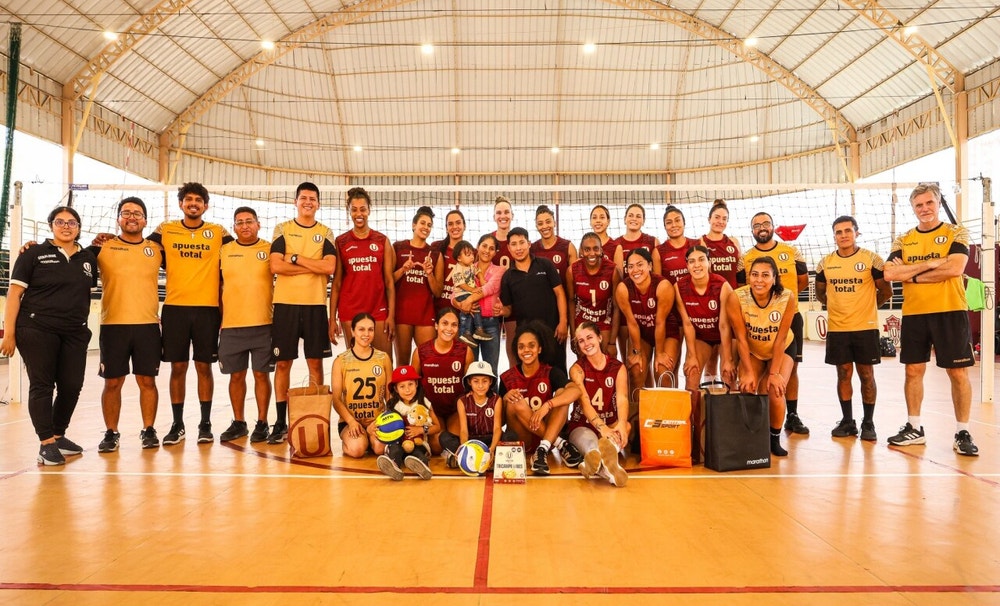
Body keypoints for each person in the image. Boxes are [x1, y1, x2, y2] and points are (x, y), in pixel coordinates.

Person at [882, 183, 979, 456]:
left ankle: (963, 432)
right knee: (913, 371)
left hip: (950, 310)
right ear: (913, 208)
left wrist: (911, 275)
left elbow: (955, 268)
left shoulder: (955, 232)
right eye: (919, 205)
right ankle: (914, 428)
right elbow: (890, 274)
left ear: (937, 204)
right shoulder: (903, 239)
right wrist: (931, 263)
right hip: (915, 313)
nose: (924, 209)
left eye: (929, 203)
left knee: (957, 372)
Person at [1, 206, 97, 465]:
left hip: (74, 331)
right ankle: (46, 444)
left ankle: (58, 435)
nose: (66, 226)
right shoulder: (33, 253)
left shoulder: (88, 258)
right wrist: (9, 333)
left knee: (72, 385)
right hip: (37, 328)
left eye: (72, 222)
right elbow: (14, 294)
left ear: (79, 227)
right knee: (42, 385)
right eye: (60, 222)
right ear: (51, 225)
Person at [147, 183, 232, 445]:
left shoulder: (218, 232)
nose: (193, 203)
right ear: (181, 204)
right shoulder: (165, 229)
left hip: (207, 310)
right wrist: (108, 239)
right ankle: (177, 424)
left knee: (204, 366)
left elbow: (242, 252)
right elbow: (140, 248)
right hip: (175, 309)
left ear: (206, 205)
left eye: (198, 200)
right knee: (178, 367)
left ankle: (205, 424)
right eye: (188, 199)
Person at [89, 197, 163, 452]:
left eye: (137, 213)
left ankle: (149, 429)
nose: (132, 217)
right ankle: (111, 432)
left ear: (145, 220)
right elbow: (68, 254)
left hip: (147, 326)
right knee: (112, 383)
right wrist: (31, 247)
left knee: (147, 381)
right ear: (118, 218)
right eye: (126, 212)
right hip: (113, 326)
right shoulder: (102, 247)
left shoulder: (157, 249)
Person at [269, 182, 337, 444]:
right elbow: (276, 266)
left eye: (312, 198)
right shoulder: (282, 228)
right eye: (303, 198)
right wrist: (312, 267)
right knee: (282, 364)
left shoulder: (325, 232)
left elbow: (329, 267)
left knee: (315, 364)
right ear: (295, 202)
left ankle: (313, 419)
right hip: (285, 305)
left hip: (314, 306)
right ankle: (280, 422)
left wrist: (296, 259)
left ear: (318, 204)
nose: (308, 202)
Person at [815, 216, 892, 441]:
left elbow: (886, 291)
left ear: (856, 233)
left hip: (865, 328)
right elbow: (820, 292)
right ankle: (848, 421)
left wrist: (868, 309)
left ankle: (868, 422)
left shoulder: (871, 259)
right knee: (843, 374)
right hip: (838, 328)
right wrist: (835, 307)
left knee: (866, 375)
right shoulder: (825, 263)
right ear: (834, 236)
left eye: (848, 230)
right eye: (839, 232)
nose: (843, 235)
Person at [737, 211, 809, 436]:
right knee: (759, 372)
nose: (762, 227)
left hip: (789, 317)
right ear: (752, 230)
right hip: (758, 319)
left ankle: (792, 415)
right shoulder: (745, 258)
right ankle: (761, 422)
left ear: (773, 226)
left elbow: (803, 281)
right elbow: (741, 289)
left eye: (766, 223)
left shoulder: (791, 251)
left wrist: (780, 303)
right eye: (756, 225)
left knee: (790, 369)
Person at [727, 256, 794, 457]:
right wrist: (747, 372)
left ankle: (774, 438)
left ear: (774, 278)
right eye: (755, 275)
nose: (759, 280)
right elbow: (741, 338)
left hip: (781, 348)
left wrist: (774, 373)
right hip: (753, 349)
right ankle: (749, 436)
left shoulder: (787, 297)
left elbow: (781, 339)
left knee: (774, 389)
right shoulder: (737, 297)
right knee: (747, 386)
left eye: (765, 275)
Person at [218, 207, 275, 443]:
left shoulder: (270, 249)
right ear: (234, 227)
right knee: (236, 376)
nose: (244, 226)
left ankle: (262, 423)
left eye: (249, 221)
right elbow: (216, 284)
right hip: (232, 325)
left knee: (261, 375)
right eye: (239, 222)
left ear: (258, 224)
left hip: (264, 323)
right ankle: (239, 422)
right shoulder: (224, 250)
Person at [500, 322, 583, 475]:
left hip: (545, 440)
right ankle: (560, 443)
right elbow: (501, 422)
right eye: (521, 347)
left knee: (562, 395)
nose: (526, 350)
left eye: (531, 345)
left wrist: (548, 405)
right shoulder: (507, 377)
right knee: (514, 401)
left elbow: (576, 391)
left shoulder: (551, 372)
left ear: (539, 349)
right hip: (523, 441)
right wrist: (504, 399)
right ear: (517, 350)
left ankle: (542, 449)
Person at [331, 186, 396, 360]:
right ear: (349, 212)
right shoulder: (341, 241)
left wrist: (391, 315)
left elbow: (389, 282)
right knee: (356, 364)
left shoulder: (382, 240)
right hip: (350, 309)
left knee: (384, 362)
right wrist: (332, 319)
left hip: (378, 309)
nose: (358, 214)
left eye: (362, 209)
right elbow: (337, 283)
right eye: (354, 210)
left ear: (369, 210)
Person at [499, 227, 570, 373]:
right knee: (533, 377)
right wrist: (501, 310)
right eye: (514, 244)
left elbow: (559, 293)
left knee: (558, 374)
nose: (518, 248)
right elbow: (508, 310)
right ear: (509, 248)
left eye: (521, 242)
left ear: (529, 244)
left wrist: (563, 322)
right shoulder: (507, 276)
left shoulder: (545, 264)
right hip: (528, 338)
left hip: (553, 333)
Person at [568, 322, 630, 487]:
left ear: (600, 338)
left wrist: (621, 424)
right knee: (593, 450)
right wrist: (602, 428)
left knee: (626, 426)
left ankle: (593, 465)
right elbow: (585, 402)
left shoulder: (618, 367)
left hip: (610, 422)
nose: (586, 343)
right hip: (583, 424)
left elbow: (622, 398)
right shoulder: (577, 369)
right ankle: (609, 471)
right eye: (581, 341)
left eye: (590, 337)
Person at [411, 307, 474, 454]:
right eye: (445, 323)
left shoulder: (465, 351)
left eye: (454, 325)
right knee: (437, 446)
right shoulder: (421, 351)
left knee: (456, 442)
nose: (449, 329)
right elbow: (413, 385)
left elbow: (470, 385)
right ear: (436, 325)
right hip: (432, 410)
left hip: (455, 410)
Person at [615, 248, 674, 399]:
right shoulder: (623, 289)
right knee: (636, 370)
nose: (635, 270)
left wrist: (660, 353)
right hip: (642, 332)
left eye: (640, 264)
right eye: (630, 266)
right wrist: (637, 352)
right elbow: (632, 323)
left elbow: (660, 322)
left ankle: (665, 411)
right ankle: (637, 413)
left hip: (666, 331)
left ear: (650, 265)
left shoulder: (663, 286)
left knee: (663, 371)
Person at [331, 313, 393, 458]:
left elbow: (390, 396)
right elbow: (336, 399)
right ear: (352, 331)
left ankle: (369, 440)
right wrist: (351, 422)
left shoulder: (383, 358)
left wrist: (381, 420)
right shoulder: (341, 361)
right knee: (357, 450)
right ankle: (356, 440)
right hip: (350, 421)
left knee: (380, 449)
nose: (366, 334)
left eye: (370, 329)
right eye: (361, 329)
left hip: (376, 420)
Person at [675, 245, 735, 390]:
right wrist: (691, 356)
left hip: (725, 336)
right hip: (702, 337)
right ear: (687, 266)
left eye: (701, 260)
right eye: (692, 261)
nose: (697, 265)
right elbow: (687, 324)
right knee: (692, 371)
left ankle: (731, 403)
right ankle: (696, 406)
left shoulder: (722, 286)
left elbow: (724, 326)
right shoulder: (679, 287)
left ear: (709, 262)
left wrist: (728, 359)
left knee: (728, 374)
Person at [451, 234, 506, 374]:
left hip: (490, 324)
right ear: (477, 247)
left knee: (491, 370)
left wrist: (468, 301)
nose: (487, 251)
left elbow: (488, 288)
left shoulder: (499, 270)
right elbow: (453, 295)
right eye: (484, 246)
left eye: (492, 248)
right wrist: (461, 305)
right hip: (468, 324)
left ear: (495, 252)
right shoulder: (465, 267)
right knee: (468, 370)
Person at [375, 365, 442, 481]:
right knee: (395, 450)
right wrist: (381, 431)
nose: (407, 390)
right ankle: (394, 467)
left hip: (417, 442)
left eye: (410, 384)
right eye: (402, 386)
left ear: (416, 384)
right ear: (396, 389)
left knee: (419, 453)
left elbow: (437, 427)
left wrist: (421, 430)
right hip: (398, 442)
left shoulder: (424, 402)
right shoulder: (393, 405)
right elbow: (383, 424)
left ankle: (423, 466)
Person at [393, 206, 441, 364]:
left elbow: (438, 292)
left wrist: (429, 274)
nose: (426, 227)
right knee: (402, 362)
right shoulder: (398, 247)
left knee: (428, 362)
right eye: (423, 223)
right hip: (402, 314)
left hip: (425, 314)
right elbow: (388, 281)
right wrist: (403, 269)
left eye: (429, 225)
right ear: (414, 225)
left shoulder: (435, 254)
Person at [612, 203, 660, 359]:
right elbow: (619, 278)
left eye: (638, 216)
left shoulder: (652, 242)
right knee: (630, 360)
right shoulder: (617, 244)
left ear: (643, 220)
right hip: (628, 305)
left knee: (649, 359)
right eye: (631, 215)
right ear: (624, 219)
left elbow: (657, 277)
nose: (634, 219)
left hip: (649, 308)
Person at [439, 361, 506, 469]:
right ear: (469, 382)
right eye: (476, 381)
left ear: (490, 381)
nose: (480, 385)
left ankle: (481, 457)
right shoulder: (462, 401)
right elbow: (463, 430)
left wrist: (492, 448)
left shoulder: (496, 399)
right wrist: (464, 448)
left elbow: (497, 428)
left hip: (490, 439)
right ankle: (468, 457)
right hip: (471, 440)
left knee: (510, 436)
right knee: (444, 437)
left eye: (485, 381)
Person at [654, 204, 697, 375]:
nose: (674, 225)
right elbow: (658, 285)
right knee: (672, 364)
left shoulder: (696, 244)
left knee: (693, 364)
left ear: (684, 223)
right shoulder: (659, 251)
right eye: (669, 222)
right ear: (665, 227)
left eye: (677, 220)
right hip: (672, 313)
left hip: (696, 311)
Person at [567, 232, 619, 356]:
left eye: (596, 249)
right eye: (587, 249)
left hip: (604, 322)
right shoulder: (572, 270)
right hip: (582, 321)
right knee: (584, 362)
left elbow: (617, 307)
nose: (592, 253)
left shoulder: (613, 270)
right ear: (581, 251)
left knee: (607, 359)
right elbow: (571, 301)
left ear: (601, 250)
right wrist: (573, 334)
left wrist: (612, 342)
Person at [531, 204, 578, 316]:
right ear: (536, 226)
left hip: (563, 306)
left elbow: (575, 280)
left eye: (548, 222)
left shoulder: (568, 246)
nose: (545, 226)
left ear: (554, 223)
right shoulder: (532, 249)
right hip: (540, 306)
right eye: (540, 223)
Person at [446, 240, 493, 345]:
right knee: (473, 309)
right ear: (459, 258)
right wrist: (473, 290)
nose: (472, 257)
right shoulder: (457, 269)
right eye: (468, 255)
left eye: (472, 254)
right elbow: (461, 284)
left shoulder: (471, 265)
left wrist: (481, 279)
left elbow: (478, 271)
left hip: (469, 293)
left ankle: (467, 333)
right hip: (461, 294)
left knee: (470, 312)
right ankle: (477, 330)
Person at [492, 196, 518, 368]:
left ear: (512, 215)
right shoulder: (488, 241)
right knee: (492, 350)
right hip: (492, 302)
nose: (503, 216)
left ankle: (513, 379)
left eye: (506, 212)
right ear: (494, 216)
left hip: (513, 302)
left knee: (513, 347)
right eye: (499, 212)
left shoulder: (517, 241)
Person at [699, 200, 741, 288]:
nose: (721, 221)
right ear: (709, 219)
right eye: (717, 217)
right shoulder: (700, 242)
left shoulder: (734, 242)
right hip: (712, 292)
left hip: (733, 292)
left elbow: (740, 271)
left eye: (724, 219)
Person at [432, 209, 466, 314]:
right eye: (450, 224)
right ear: (446, 228)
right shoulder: (436, 247)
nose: (454, 227)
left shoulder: (472, 252)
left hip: (462, 311)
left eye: (458, 223)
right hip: (438, 309)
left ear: (464, 226)